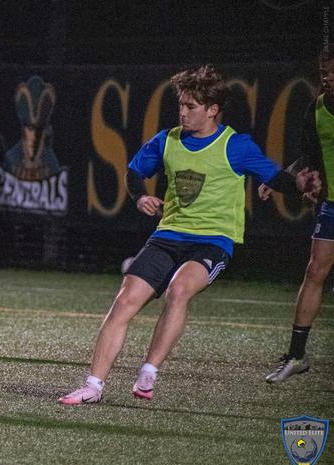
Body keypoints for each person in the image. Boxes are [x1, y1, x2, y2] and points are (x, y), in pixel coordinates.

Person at [58, 65, 320, 405]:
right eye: (180, 104)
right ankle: (93, 386)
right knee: (123, 302)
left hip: (212, 242)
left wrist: (297, 182)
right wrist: (140, 197)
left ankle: (149, 371)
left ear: (212, 109)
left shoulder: (235, 145)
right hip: (168, 235)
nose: (182, 112)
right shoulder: (167, 140)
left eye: (190, 106)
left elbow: (275, 178)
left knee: (179, 290)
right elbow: (134, 173)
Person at [262, 45, 334, 383]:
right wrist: (282, 180)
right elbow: (307, 156)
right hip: (331, 205)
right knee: (315, 271)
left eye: (332, 73)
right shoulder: (315, 109)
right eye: (323, 73)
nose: (327, 78)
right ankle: (296, 355)